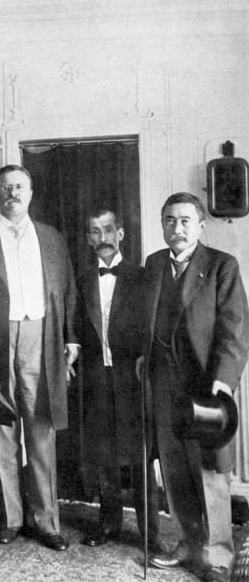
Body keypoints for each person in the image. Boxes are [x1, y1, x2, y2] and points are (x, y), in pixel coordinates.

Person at [0, 164, 79, 551]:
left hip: (41, 338)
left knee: (41, 428)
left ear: (31, 193)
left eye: (20, 187)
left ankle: (46, 521)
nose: (13, 193)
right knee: (3, 427)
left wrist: (71, 339)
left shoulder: (52, 238)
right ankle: (11, 518)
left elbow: (69, 291)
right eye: (6, 187)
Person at [136, 192, 249, 582]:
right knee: (174, 466)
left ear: (201, 225)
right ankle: (188, 541)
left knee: (212, 470)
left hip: (206, 385)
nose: (177, 228)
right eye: (169, 220)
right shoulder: (153, 264)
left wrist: (222, 383)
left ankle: (217, 555)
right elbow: (145, 322)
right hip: (164, 383)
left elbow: (234, 333)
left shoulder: (222, 266)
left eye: (185, 220)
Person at [78, 208, 161, 550]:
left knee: (140, 455)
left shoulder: (143, 276)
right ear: (87, 239)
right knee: (104, 454)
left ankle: (149, 533)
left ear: (122, 233)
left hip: (132, 377)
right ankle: (109, 524)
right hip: (96, 376)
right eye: (95, 232)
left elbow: (152, 326)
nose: (103, 238)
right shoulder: (81, 278)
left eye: (108, 229)